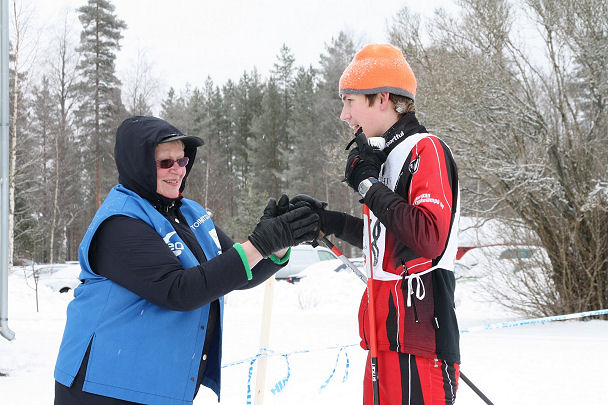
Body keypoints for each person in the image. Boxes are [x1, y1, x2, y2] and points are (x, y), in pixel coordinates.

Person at [53, 116, 319, 405]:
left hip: (155, 384)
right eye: (165, 162)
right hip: (103, 387)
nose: (177, 170)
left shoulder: (189, 212)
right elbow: (179, 290)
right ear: (137, 164)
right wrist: (260, 243)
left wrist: (277, 245)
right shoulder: (120, 222)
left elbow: (235, 271)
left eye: (182, 160)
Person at [293, 44, 460, 404]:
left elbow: (428, 238)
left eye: (350, 100)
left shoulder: (425, 149)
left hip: (419, 341)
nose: (343, 114)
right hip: (383, 334)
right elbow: (388, 242)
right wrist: (329, 222)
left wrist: (368, 187)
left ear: (382, 98)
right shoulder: (386, 157)